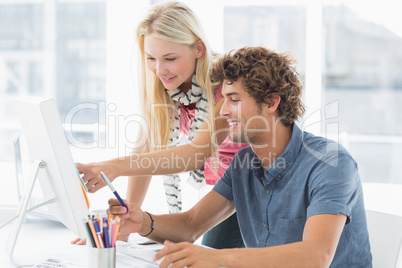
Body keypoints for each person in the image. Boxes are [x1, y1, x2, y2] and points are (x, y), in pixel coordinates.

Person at [107, 46, 372, 267]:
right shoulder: (244, 163)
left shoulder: (330, 163)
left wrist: (219, 258)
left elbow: (316, 256)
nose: (222, 111)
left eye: (233, 99)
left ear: (271, 102)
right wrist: (144, 222)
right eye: (223, 100)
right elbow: (190, 225)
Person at [74, 1, 246, 249]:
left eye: (170, 58)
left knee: (208, 255)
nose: (160, 69)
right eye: (151, 58)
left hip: (259, 188)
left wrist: (114, 166)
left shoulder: (227, 85)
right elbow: (145, 150)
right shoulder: (168, 87)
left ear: (199, 48)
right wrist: (123, 226)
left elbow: (197, 153)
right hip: (227, 190)